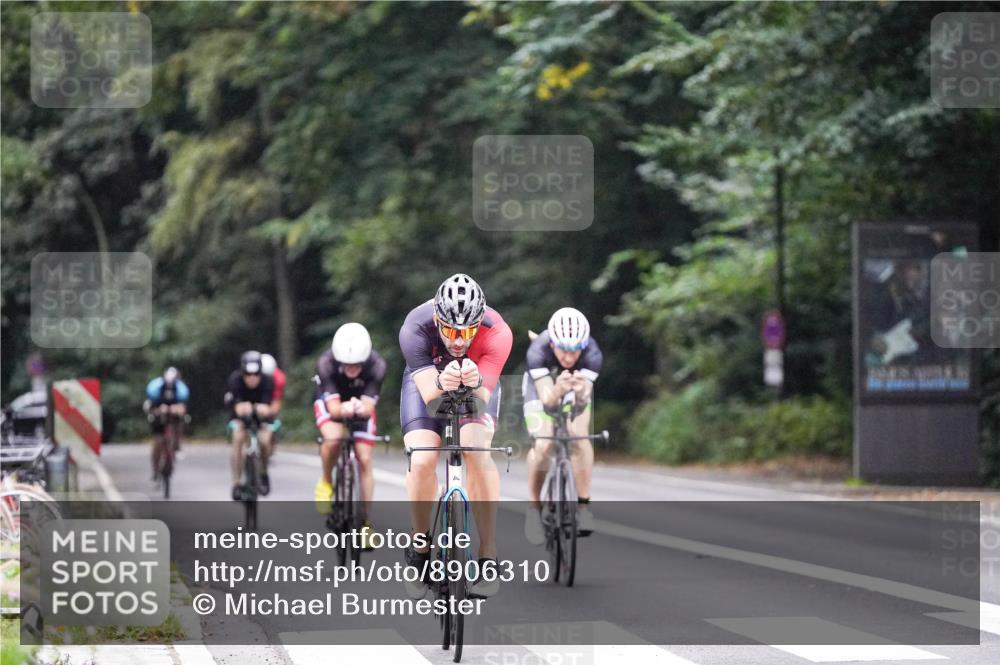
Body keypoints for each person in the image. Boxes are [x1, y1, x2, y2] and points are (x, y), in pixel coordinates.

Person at [398, 274, 512, 599]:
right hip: (426, 381)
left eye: (466, 332)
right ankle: (420, 548)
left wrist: (474, 381)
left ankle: (488, 556)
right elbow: (431, 397)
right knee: (421, 460)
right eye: (449, 330)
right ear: (437, 319)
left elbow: (482, 398)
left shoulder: (498, 332)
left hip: (477, 382)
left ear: (479, 324)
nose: (459, 341)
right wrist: (443, 380)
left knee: (478, 452)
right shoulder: (415, 327)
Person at [522, 307, 603, 544]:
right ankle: (534, 508)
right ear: (552, 343)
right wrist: (558, 388)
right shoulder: (537, 350)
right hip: (541, 388)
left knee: (579, 436)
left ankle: (584, 506)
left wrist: (580, 392)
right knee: (544, 445)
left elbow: (583, 400)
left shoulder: (592, 354)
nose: (569, 358)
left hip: (574, 387)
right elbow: (547, 399)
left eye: (575, 351)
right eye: (563, 350)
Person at [313, 323, 386, 542]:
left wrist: (358, 408)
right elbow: (334, 410)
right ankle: (326, 481)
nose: (351, 368)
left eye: (357, 365)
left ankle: (366, 523)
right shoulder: (325, 364)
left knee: (364, 458)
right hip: (331, 401)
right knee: (333, 439)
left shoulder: (377, 365)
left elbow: (368, 408)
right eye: (347, 364)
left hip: (360, 403)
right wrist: (344, 408)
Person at [224, 351, 275, 500]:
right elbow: (236, 406)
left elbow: (267, 408)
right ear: (242, 372)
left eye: (256, 374)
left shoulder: (267, 381)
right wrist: (242, 408)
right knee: (238, 438)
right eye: (248, 374)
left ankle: (264, 472)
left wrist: (259, 409)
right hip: (240, 418)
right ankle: (236, 482)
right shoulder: (235, 380)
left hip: (261, 419)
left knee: (265, 441)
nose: (252, 378)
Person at [144, 367, 189, 478]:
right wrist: (159, 410)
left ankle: (177, 445)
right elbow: (150, 406)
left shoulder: (181, 389)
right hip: (159, 412)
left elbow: (183, 407)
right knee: (158, 440)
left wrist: (177, 409)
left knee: (181, 421)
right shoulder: (155, 388)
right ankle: (155, 469)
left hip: (173, 415)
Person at [260, 353, 287, 439]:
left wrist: (270, 413)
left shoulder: (279, 378)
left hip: (271, 397)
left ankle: (272, 437)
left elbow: (277, 399)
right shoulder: (251, 376)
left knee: (272, 416)